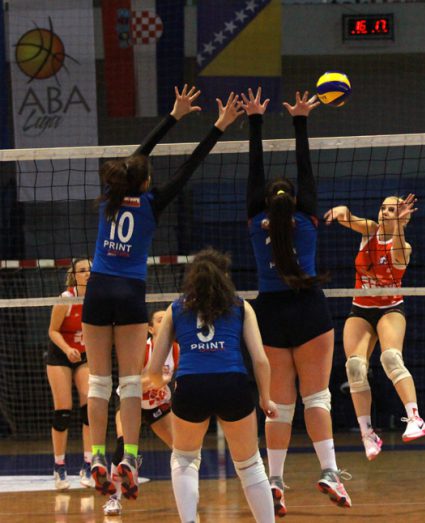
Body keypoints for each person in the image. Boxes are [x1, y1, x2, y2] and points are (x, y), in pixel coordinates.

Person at [82, 85, 243, 500]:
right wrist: (218, 126)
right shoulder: (152, 203)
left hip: (98, 289)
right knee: (129, 383)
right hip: (130, 292)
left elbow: (137, 157)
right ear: (146, 181)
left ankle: (96, 456)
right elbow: (189, 166)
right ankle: (129, 457)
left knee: (98, 381)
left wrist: (172, 116)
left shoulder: (110, 196)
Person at [242, 87, 351, 516]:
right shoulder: (307, 218)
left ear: (266, 203)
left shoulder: (256, 220)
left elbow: (254, 172)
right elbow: (307, 172)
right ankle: (329, 472)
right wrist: (301, 120)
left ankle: (274, 481)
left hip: (269, 315)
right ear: (295, 202)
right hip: (309, 311)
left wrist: (254, 121)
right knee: (317, 398)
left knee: (280, 407)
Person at [148, 248, 278, 522]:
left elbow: (154, 368)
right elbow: (260, 360)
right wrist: (265, 398)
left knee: (184, 459)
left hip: (191, 385)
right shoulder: (240, 306)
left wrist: (162, 385)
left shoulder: (175, 308)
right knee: (250, 465)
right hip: (232, 384)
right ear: (225, 276)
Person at [323, 194, 425, 461]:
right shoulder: (370, 230)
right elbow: (349, 217)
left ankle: (415, 418)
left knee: (390, 358)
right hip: (361, 308)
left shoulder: (402, 245)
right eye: (383, 208)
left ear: (402, 217)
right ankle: (367, 434)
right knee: (355, 367)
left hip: (390, 308)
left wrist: (400, 227)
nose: (385, 213)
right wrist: (341, 211)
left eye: (391, 210)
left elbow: (398, 259)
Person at [103, 309, 178, 517]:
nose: (166, 322)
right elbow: (133, 384)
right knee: (123, 446)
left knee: (181, 449)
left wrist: (160, 383)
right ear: (150, 329)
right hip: (131, 401)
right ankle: (114, 499)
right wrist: (157, 380)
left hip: (157, 404)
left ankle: (186, 494)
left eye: (168, 319)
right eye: (160, 320)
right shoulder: (140, 350)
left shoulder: (177, 350)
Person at [46, 258, 94, 490]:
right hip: (60, 355)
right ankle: (59, 466)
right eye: (83, 270)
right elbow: (53, 331)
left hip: (84, 356)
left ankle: (88, 464)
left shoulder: (99, 299)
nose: (88, 273)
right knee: (63, 411)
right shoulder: (66, 299)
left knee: (90, 408)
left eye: (91, 270)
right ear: (74, 276)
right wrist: (67, 349)